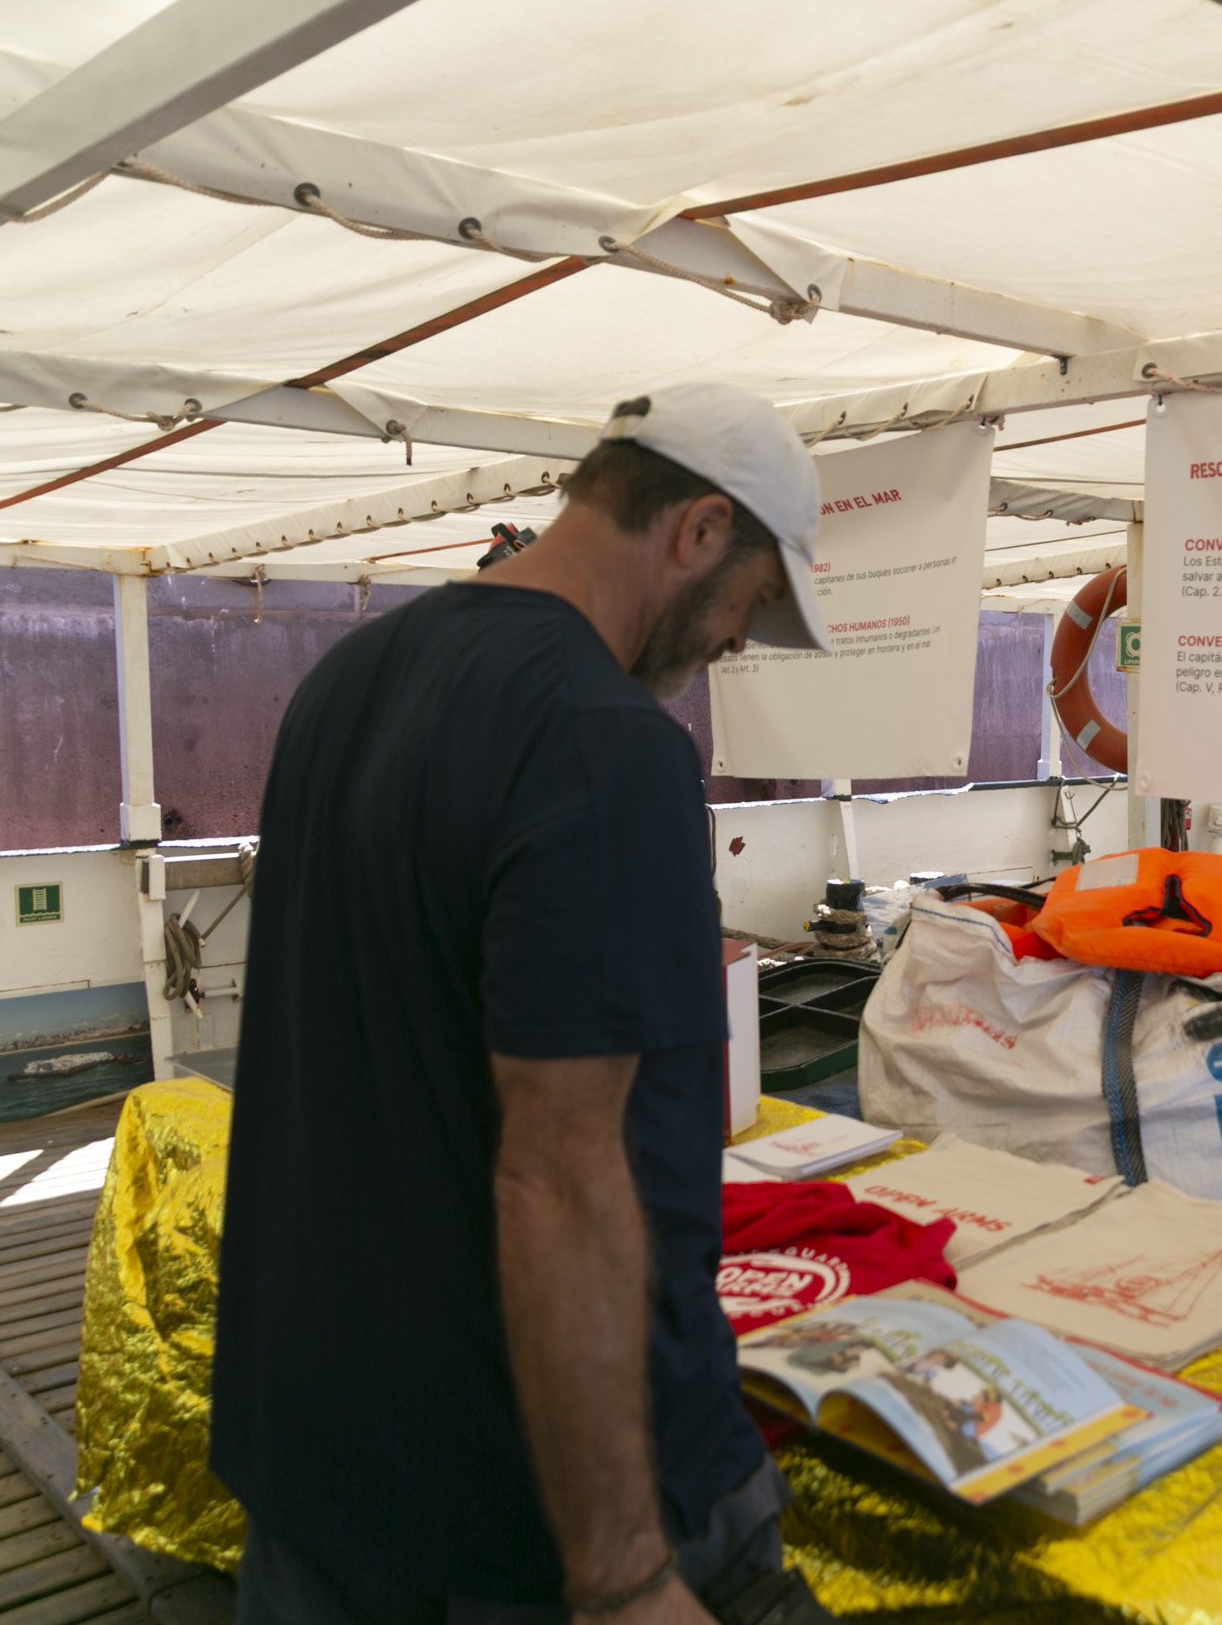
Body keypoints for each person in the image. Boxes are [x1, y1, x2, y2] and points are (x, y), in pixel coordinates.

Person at [211, 383, 837, 1625]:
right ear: (700, 530)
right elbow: (555, 1175)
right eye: (751, 606)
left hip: (321, 1447)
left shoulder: (346, 680)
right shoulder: (602, 740)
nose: (730, 648)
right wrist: (622, 1572)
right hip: (524, 1497)